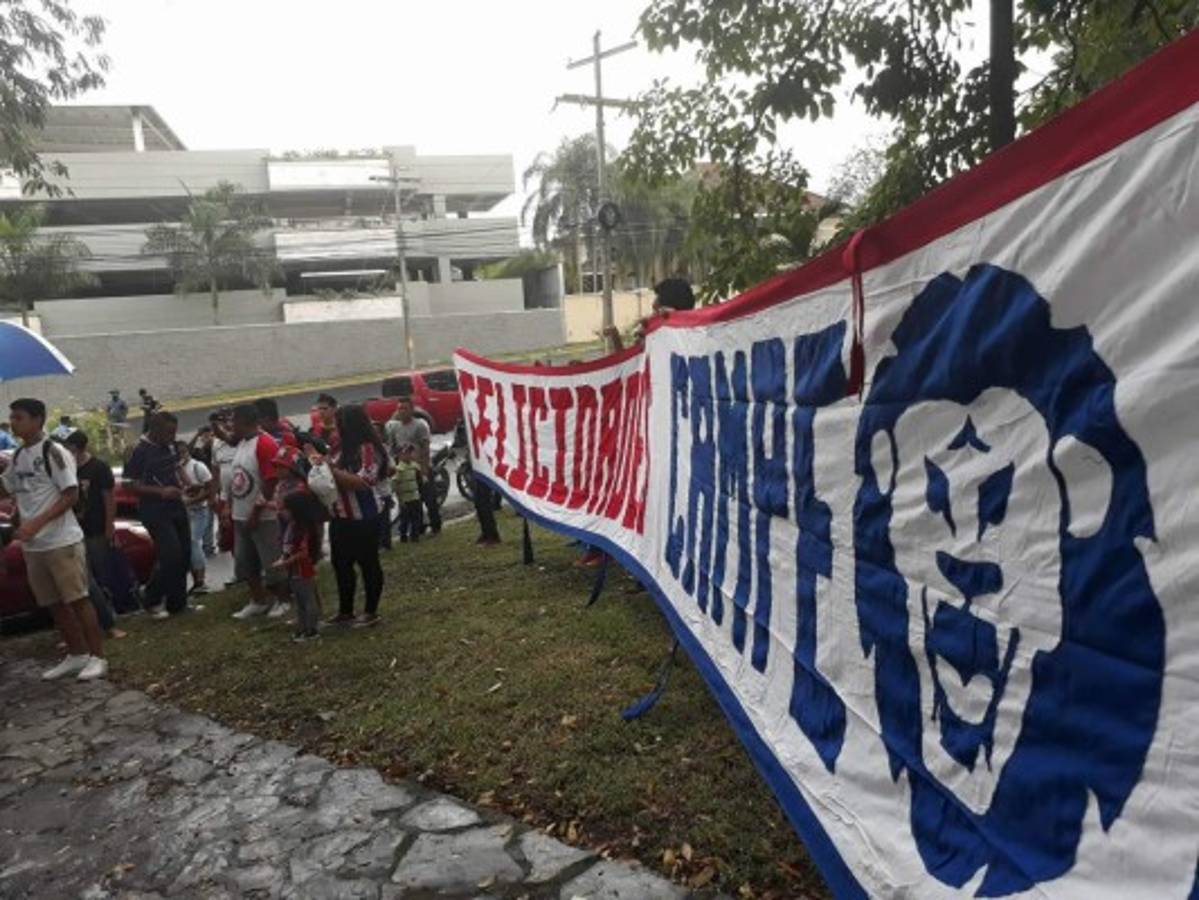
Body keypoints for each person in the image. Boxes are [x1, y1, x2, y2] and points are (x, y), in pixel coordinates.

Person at [0, 398, 107, 681]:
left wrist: (36, 522)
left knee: (78, 599)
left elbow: (70, 495)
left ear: (38, 420)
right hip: (33, 546)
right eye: (12, 417)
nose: (13, 422)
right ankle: (76, 653)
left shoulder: (54, 451)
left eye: (19, 417)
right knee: (52, 603)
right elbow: (7, 488)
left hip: (61, 541)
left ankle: (97, 657)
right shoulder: (19, 456)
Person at [322, 404, 387, 627]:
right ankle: (345, 610)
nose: (336, 429)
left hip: (364, 517)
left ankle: (371, 611)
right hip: (340, 515)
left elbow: (363, 482)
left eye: (339, 424)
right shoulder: (338, 448)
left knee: (368, 563)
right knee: (340, 563)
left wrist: (329, 469)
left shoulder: (367, 448)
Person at [124, 411, 194, 618]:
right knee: (170, 554)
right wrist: (160, 492)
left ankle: (178, 604)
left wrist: (188, 484)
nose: (173, 437)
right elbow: (130, 485)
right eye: (168, 432)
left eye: (174, 432)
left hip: (176, 504)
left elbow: (175, 467)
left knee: (184, 554)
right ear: (154, 430)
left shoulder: (169, 445)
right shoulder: (138, 450)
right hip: (154, 509)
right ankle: (151, 597)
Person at [61, 431, 126, 640]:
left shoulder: (98, 468)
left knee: (100, 575)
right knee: (85, 580)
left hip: (96, 529)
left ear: (77, 448)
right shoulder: (65, 471)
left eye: (69, 449)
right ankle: (98, 621)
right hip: (73, 532)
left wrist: (110, 526)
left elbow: (109, 498)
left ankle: (109, 617)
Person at [227, 404, 289, 619]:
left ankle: (283, 599)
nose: (230, 425)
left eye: (233, 420)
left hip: (263, 517)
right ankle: (258, 599)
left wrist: (256, 512)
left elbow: (270, 482)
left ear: (244, 421)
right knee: (245, 561)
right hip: (240, 513)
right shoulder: (243, 442)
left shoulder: (264, 443)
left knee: (271, 560)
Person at [384, 397, 440, 536]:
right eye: (399, 408)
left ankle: (436, 525)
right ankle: (418, 527)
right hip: (405, 469)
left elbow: (425, 448)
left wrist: (425, 469)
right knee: (413, 501)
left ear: (412, 410)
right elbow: (392, 447)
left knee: (429, 498)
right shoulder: (394, 427)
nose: (401, 411)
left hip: (420, 467)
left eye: (404, 408)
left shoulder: (420, 425)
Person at [275, 490, 325, 642]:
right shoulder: (292, 526)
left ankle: (312, 629)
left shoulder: (303, 529)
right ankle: (303, 627)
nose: (282, 512)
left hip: (302, 570)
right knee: (299, 600)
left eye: (285, 509)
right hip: (293, 570)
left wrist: (285, 562)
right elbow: (288, 548)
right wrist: (283, 558)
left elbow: (303, 553)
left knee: (307, 599)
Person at [602, 277, 697, 351]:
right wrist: (616, 338)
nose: (651, 317)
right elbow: (630, 369)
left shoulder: (694, 342)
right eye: (654, 312)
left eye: (657, 312)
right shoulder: (650, 338)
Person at [178, 441, 216, 595]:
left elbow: (210, 488)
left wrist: (192, 501)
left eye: (183, 452)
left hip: (198, 510)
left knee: (194, 542)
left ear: (188, 452)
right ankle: (196, 582)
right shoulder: (176, 469)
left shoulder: (197, 466)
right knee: (188, 545)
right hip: (183, 512)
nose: (181, 456)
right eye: (178, 453)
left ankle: (201, 581)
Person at [392, 443, 424, 543]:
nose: (409, 455)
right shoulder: (399, 469)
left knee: (416, 516)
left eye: (410, 453)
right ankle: (403, 535)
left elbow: (420, 479)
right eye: (406, 453)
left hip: (415, 496)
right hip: (405, 498)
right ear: (400, 455)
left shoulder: (415, 466)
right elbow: (396, 484)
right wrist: (400, 499)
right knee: (405, 519)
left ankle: (415, 536)